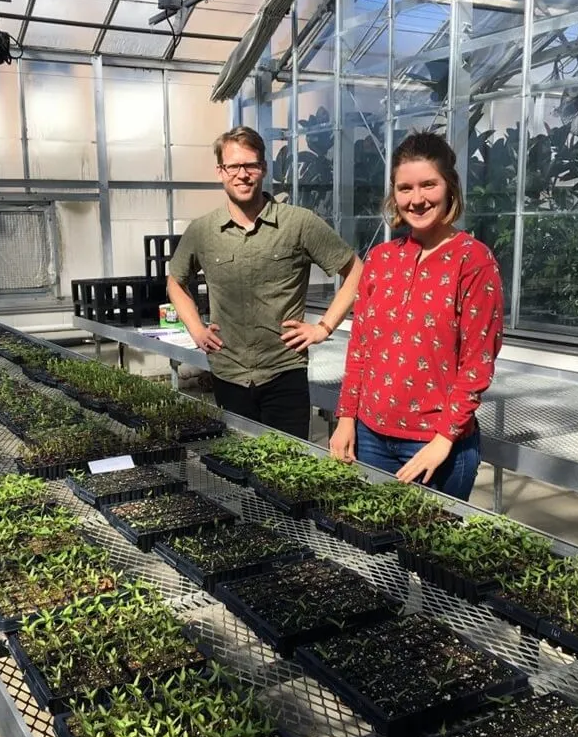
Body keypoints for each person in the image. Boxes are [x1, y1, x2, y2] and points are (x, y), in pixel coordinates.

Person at [329, 131, 504, 501]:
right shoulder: (381, 259)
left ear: (450, 186)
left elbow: (477, 363)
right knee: (372, 533)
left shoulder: (473, 260)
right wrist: (346, 418)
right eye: (405, 188)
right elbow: (360, 346)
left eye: (429, 185)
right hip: (371, 434)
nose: (417, 199)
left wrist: (443, 440)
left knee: (428, 538)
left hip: (434, 443)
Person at [167, 125, 363, 440]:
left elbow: (356, 271)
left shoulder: (298, 223)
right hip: (229, 373)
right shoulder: (202, 231)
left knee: (288, 463)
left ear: (263, 168)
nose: (242, 174)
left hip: (284, 372)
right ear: (220, 171)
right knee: (237, 461)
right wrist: (197, 330)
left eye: (251, 165)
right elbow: (175, 281)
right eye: (233, 166)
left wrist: (323, 328)